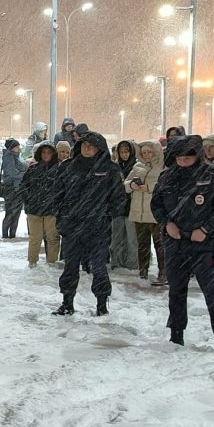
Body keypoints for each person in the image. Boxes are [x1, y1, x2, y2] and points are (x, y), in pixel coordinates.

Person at [151, 135, 214, 352]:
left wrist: (206, 229)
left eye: (187, 159)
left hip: (206, 244)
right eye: (179, 158)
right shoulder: (167, 177)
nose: (182, 162)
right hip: (176, 242)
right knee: (176, 291)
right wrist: (166, 223)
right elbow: (157, 204)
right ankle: (176, 334)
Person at [52, 131, 127, 316]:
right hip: (72, 226)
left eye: (91, 146)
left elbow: (119, 198)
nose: (87, 149)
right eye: (84, 145)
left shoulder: (110, 169)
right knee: (70, 266)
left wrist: (105, 214)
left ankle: (102, 304)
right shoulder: (68, 167)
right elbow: (56, 195)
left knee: (99, 267)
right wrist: (62, 218)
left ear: (99, 148)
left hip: (98, 227)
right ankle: (67, 302)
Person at [126, 139, 167, 283]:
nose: (147, 154)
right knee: (142, 244)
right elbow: (125, 184)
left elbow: (165, 186)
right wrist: (132, 185)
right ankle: (142, 270)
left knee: (159, 244)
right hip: (139, 211)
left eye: (149, 151)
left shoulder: (162, 167)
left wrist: (149, 187)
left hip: (155, 212)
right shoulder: (137, 166)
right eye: (144, 152)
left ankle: (163, 272)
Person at [22, 142, 62, 266]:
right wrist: (28, 200)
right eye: (43, 152)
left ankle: (52, 261)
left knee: (52, 238)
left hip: (51, 209)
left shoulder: (59, 170)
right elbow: (24, 187)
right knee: (35, 238)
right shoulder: (33, 169)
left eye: (49, 152)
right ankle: (32, 261)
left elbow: (63, 188)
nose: (46, 155)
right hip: (34, 209)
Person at [109, 140, 139, 271]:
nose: (124, 154)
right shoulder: (114, 167)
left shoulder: (137, 167)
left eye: (127, 152)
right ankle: (116, 262)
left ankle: (132, 264)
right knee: (116, 238)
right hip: (117, 207)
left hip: (132, 207)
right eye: (122, 152)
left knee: (132, 239)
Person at [0, 137, 24, 239]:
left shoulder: (15, 157)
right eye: (17, 147)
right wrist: (25, 174)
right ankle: (7, 235)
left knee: (14, 213)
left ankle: (11, 234)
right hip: (12, 189)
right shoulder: (9, 157)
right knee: (11, 213)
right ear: (12, 148)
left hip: (16, 188)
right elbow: (13, 173)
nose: (19, 148)